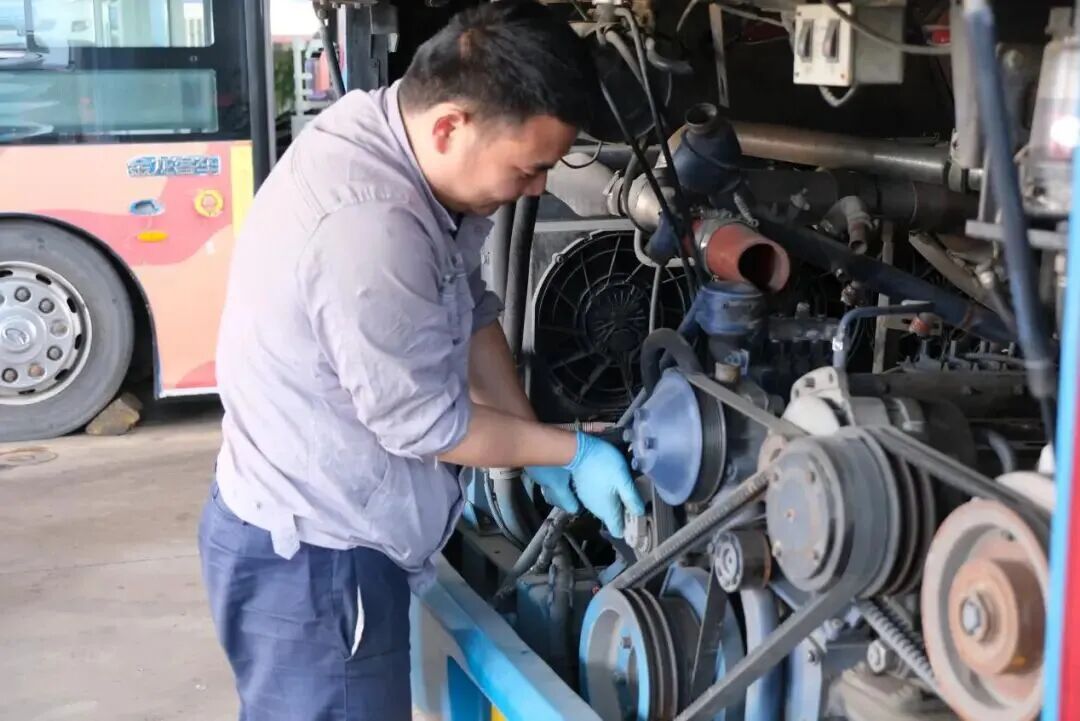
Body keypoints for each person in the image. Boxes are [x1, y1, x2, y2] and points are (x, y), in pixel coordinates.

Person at [197, 2, 645, 719]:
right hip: (318, 567)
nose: (537, 187)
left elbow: (471, 308)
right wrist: (570, 449)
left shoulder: (396, 142)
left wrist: (532, 439)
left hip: (325, 536)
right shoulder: (368, 226)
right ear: (449, 127)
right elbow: (422, 425)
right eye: (529, 168)